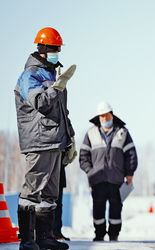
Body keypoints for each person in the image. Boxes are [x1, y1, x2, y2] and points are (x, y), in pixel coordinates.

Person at [14, 27, 77, 250]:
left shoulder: (52, 75)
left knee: (50, 193)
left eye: (58, 48)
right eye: (55, 48)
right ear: (42, 49)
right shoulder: (29, 76)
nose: (58, 52)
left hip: (55, 141)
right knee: (32, 190)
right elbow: (40, 102)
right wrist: (56, 88)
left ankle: (44, 238)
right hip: (38, 141)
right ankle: (27, 240)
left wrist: (70, 137)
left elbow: (62, 112)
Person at [79, 101, 138, 241]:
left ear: (111, 115)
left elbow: (131, 155)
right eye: (101, 116)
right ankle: (99, 234)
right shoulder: (91, 133)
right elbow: (83, 156)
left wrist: (130, 173)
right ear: (98, 118)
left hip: (116, 178)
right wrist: (90, 171)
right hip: (97, 179)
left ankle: (114, 234)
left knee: (116, 207)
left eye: (106, 115)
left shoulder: (122, 133)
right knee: (98, 207)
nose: (104, 119)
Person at [53, 154, 70, 241]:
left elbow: (66, 159)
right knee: (46, 204)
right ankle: (46, 233)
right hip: (47, 173)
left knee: (58, 205)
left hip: (59, 173)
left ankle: (56, 232)